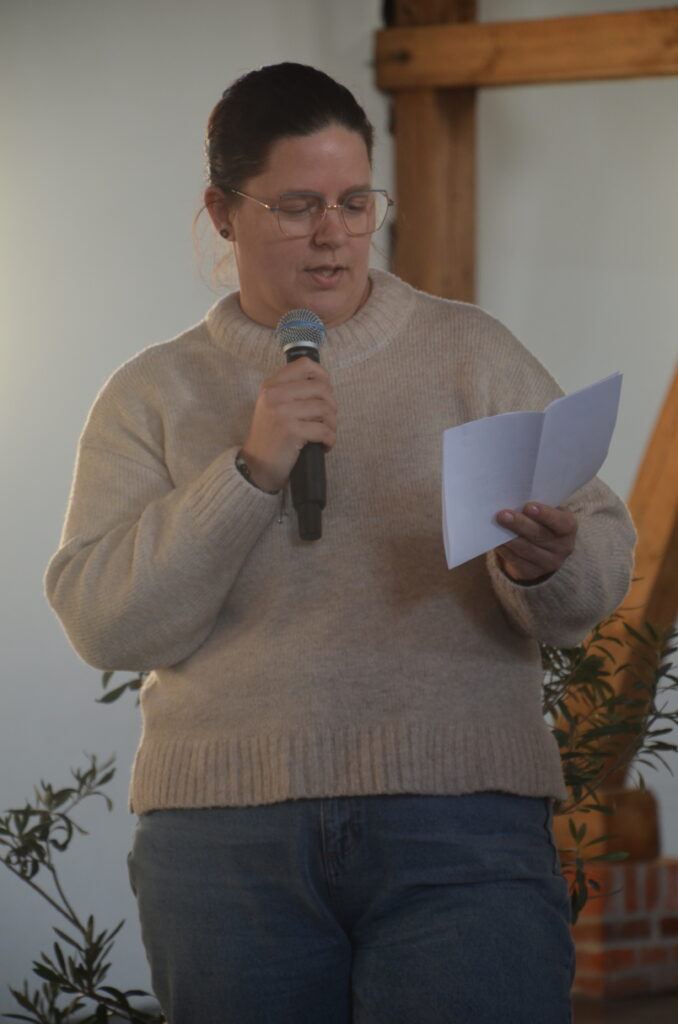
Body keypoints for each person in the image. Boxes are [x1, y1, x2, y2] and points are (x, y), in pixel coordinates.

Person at [45, 63, 635, 1023]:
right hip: (224, 849)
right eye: (296, 206)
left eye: (356, 202)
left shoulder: (471, 352)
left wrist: (549, 565)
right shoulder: (151, 393)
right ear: (222, 212)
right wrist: (248, 473)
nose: (334, 234)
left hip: (463, 828)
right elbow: (104, 624)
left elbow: (597, 559)